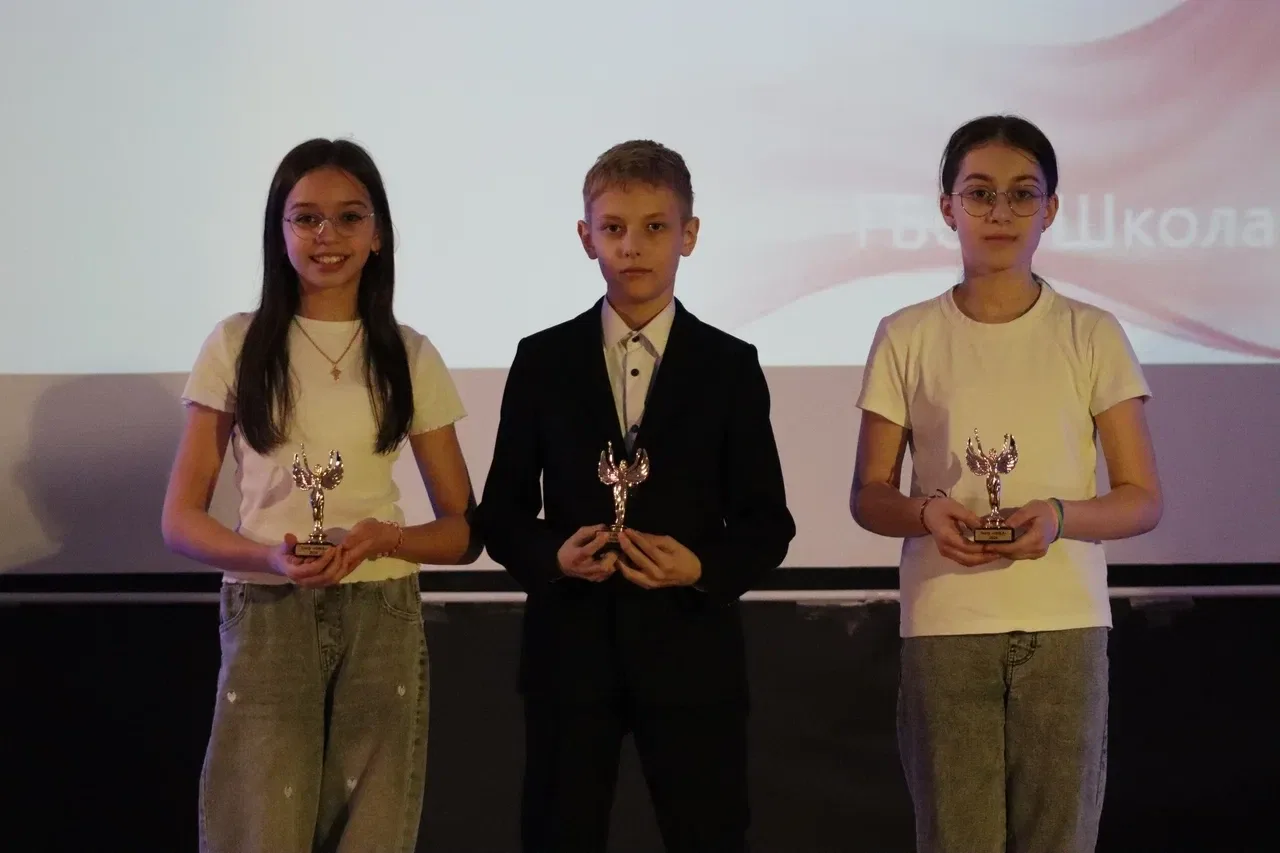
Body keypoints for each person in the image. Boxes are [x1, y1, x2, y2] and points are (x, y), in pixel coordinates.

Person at [851, 115, 1163, 853]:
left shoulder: (1092, 332)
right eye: (980, 192)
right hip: (946, 624)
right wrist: (927, 514)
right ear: (947, 206)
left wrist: (1057, 515)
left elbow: (1142, 497)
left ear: (1050, 209)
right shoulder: (906, 333)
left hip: (1065, 624)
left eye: (1023, 193)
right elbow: (870, 494)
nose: (1000, 211)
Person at [161, 138, 480, 853]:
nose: (326, 235)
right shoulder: (236, 344)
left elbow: (463, 531)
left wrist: (383, 538)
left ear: (378, 234)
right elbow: (178, 520)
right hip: (267, 608)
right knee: (257, 832)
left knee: (372, 833)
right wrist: (268, 558)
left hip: (383, 611)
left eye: (349, 217)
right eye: (306, 217)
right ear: (279, 231)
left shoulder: (410, 352)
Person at [477, 139, 796, 853]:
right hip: (569, 653)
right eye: (614, 227)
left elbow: (767, 522)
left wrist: (701, 567)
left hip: (691, 653)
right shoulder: (542, 359)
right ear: (586, 236)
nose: (632, 246)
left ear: (689, 233)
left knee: (709, 836)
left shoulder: (730, 365)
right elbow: (500, 512)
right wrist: (553, 556)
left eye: (655, 226)